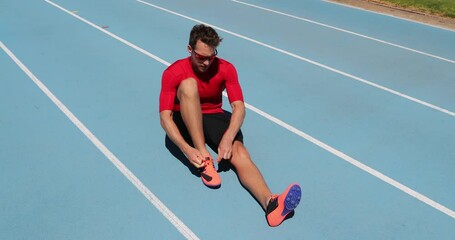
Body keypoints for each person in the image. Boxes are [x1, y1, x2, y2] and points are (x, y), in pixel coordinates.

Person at [159, 24, 301, 227]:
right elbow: (165, 117)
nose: (207, 62)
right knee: (189, 84)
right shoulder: (173, 72)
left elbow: (239, 107)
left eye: (212, 56)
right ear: (189, 50)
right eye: (201, 57)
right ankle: (203, 156)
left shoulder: (226, 68)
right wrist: (187, 149)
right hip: (183, 118)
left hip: (212, 115)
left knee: (239, 152)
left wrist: (227, 138)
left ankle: (271, 204)